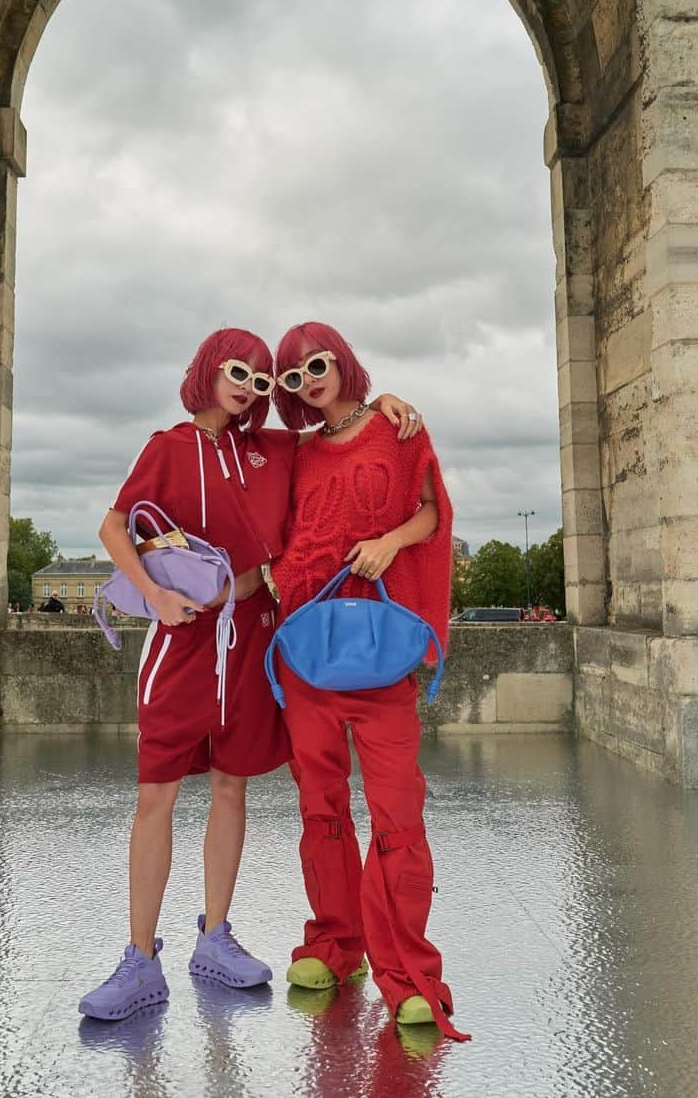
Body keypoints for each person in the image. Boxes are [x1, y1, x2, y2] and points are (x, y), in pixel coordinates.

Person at [77, 327, 422, 1022]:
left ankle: (215, 936)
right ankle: (139, 958)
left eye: (265, 381)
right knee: (157, 796)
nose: (250, 388)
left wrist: (378, 399)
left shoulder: (270, 447)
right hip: (181, 641)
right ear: (208, 370)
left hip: (251, 637)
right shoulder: (167, 446)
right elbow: (114, 527)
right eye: (240, 372)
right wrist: (153, 592)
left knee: (231, 787)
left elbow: (335, 431)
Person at [270, 322, 470, 1040]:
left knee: (396, 816)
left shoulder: (400, 430)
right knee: (321, 809)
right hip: (308, 650)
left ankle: (410, 973)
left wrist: (390, 541)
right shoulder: (291, 452)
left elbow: (433, 514)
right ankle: (334, 944)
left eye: (315, 365)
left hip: (380, 649)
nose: (307, 381)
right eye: (291, 377)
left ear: (342, 361)